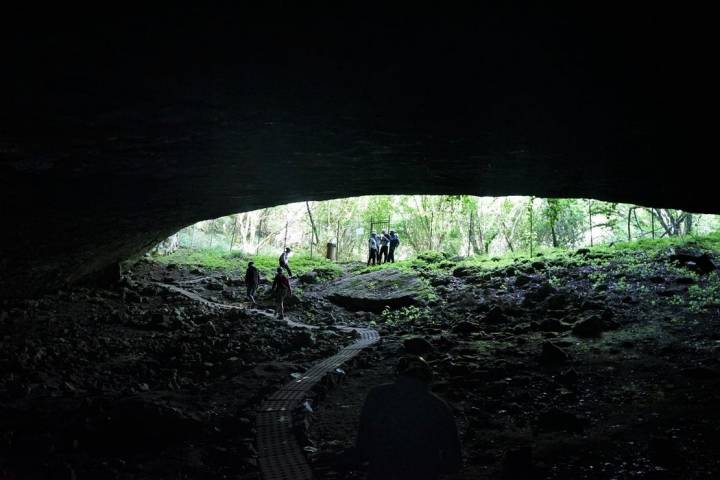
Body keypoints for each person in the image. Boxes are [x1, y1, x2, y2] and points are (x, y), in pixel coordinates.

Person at [354, 356, 461, 480]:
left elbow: (365, 429)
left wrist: (362, 453)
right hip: (422, 468)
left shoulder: (377, 395)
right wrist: (448, 465)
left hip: (384, 465)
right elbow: (451, 447)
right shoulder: (437, 405)